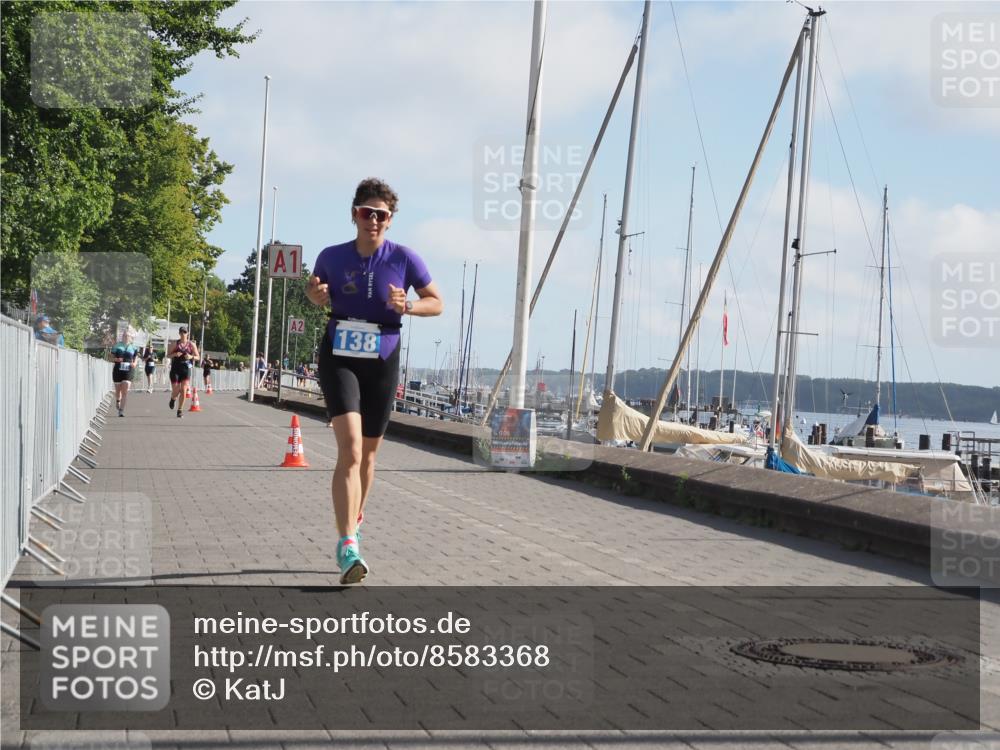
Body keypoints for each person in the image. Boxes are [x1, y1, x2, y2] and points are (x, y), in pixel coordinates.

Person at [306, 177, 443, 584]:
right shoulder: (331, 256)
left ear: (390, 220)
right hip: (340, 354)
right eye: (367, 213)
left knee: (367, 456)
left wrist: (411, 306)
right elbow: (318, 293)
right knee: (348, 450)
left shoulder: (404, 258)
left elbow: (437, 302)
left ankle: (356, 516)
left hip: (382, 356)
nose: (374, 221)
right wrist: (315, 297)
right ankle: (348, 544)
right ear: (354, 214)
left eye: (382, 215)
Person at [166, 326, 199, 418]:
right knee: (176, 390)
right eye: (181, 332)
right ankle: (173, 399)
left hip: (186, 369)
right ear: (179, 333)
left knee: (184, 390)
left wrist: (191, 357)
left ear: (187, 333)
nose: (183, 334)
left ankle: (179, 410)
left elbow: (198, 357)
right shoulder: (175, 343)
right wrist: (175, 354)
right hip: (175, 369)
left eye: (184, 332)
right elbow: (168, 355)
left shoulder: (191, 345)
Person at [110, 332, 139, 416]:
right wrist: (116, 359)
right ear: (122, 337)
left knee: (125, 390)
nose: (126, 337)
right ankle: (118, 400)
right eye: (124, 335)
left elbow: (136, 357)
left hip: (128, 370)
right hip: (118, 370)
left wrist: (135, 363)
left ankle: (121, 411)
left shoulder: (133, 347)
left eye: (127, 336)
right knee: (118, 390)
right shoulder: (117, 346)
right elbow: (110, 356)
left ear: (130, 337)